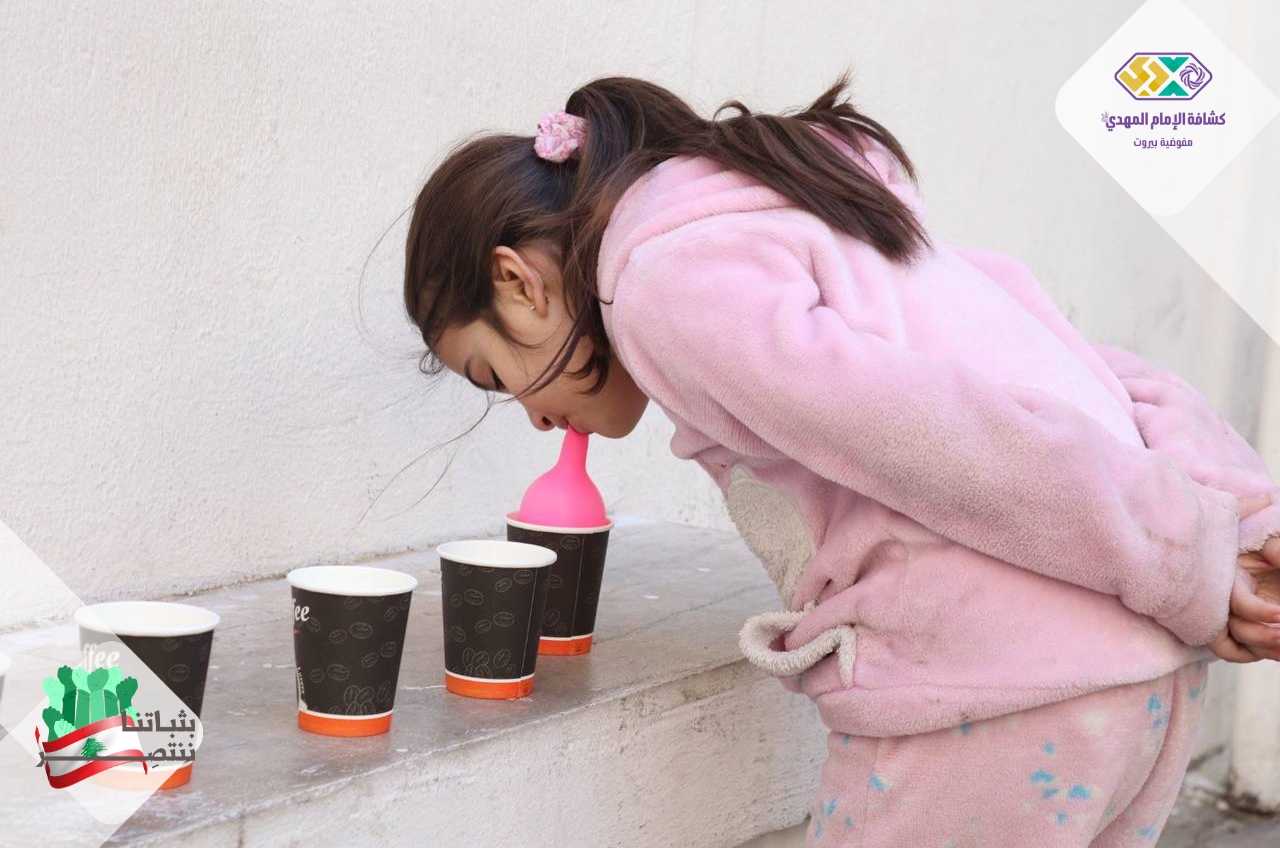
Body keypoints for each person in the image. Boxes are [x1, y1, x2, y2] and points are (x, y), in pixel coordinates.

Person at [401, 71, 1280, 846]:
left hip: (996, 695)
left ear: (518, 281)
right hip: (1140, 684)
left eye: (495, 374)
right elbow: (1099, 376)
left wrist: (1186, 559)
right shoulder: (808, 215)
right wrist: (1239, 525)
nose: (535, 416)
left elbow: (951, 437)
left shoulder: (669, 288)